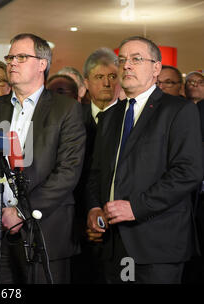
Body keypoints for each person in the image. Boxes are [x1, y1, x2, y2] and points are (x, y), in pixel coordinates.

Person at [85, 36, 202, 284]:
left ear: (156, 68)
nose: (127, 65)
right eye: (123, 60)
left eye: (136, 59)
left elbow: (188, 172)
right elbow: (96, 172)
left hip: (157, 243)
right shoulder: (110, 116)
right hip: (112, 243)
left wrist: (136, 207)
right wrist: (94, 206)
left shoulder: (178, 110)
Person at [0, 33, 86, 284]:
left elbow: (68, 171)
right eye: (10, 57)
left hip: (46, 231)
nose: (12, 63)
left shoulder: (66, 109)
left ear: (42, 64)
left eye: (21, 57)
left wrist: (20, 212)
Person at [71, 47, 120, 283]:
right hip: (75, 219)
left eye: (113, 76)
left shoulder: (130, 118)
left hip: (118, 218)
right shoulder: (72, 118)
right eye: (100, 77)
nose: (107, 83)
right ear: (86, 83)